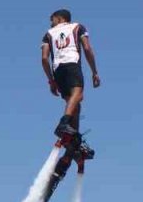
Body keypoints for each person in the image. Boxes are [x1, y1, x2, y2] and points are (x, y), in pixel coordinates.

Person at [40, 8, 100, 141]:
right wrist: (94, 72)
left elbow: (44, 58)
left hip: (57, 70)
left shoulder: (48, 34)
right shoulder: (78, 27)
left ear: (60, 18)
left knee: (74, 104)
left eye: (52, 20)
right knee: (78, 94)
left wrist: (51, 81)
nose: (51, 23)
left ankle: (73, 139)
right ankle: (64, 123)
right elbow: (87, 48)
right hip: (72, 64)